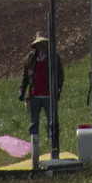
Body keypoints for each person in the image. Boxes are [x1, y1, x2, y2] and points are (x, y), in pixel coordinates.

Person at [19, 34, 64, 164]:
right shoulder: (30, 59)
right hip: (34, 96)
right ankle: (35, 152)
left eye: (43, 44)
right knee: (34, 123)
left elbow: (60, 75)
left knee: (52, 124)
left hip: (49, 96)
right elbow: (25, 77)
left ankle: (53, 151)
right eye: (39, 44)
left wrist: (58, 89)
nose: (41, 46)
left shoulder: (53, 58)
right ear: (36, 46)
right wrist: (22, 89)